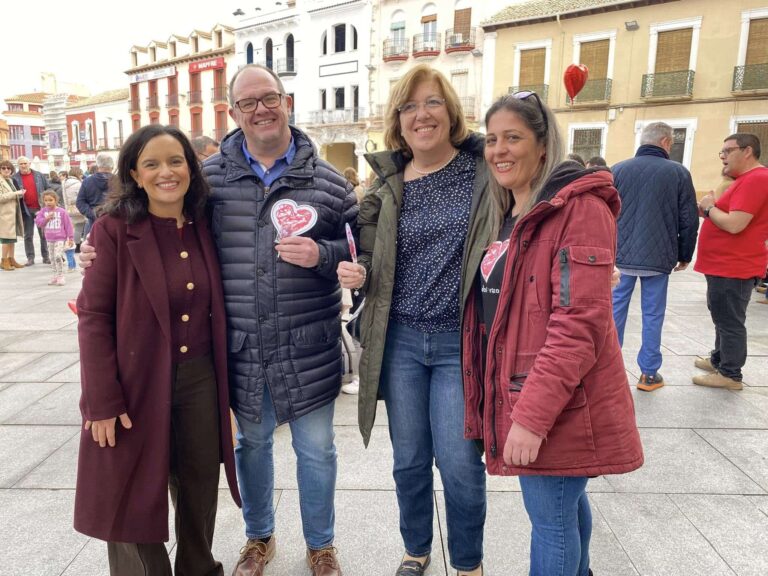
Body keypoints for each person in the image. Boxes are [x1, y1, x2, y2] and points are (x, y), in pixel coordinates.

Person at [462, 92, 644, 576]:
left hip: (555, 404)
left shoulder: (577, 209)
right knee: (564, 507)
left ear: (543, 146)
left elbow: (577, 326)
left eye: (514, 138)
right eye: (493, 139)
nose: (499, 149)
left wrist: (531, 418)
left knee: (551, 521)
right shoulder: (511, 212)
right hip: (526, 393)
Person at [337, 64, 490, 576]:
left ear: (450, 112)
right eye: (408, 106)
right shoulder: (386, 183)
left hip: (458, 340)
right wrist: (359, 271)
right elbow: (372, 252)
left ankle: (468, 562)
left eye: (431, 103)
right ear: (398, 121)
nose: (420, 115)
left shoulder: (484, 173)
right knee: (408, 461)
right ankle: (416, 549)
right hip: (399, 339)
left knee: (461, 464)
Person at [74, 124, 241, 575]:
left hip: (200, 380)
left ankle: (198, 568)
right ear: (134, 172)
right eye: (151, 163)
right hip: (135, 382)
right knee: (132, 493)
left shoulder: (205, 223)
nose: (166, 172)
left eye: (175, 161)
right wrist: (101, 400)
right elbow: (93, 317)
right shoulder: (113, 230)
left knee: (199, 486)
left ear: (191, 167)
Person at [610, 122, 699, 391]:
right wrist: (685, 254)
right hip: (658, 257)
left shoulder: (617, 170)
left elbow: (605, 212)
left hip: (620, 255)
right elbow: (688, 218)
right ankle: (649, 374)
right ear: (665, 142)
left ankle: (609, 373)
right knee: (653, 313)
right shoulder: (678, 173)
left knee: (614, 310)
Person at [693, 133, 768, 389]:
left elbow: (735, 224)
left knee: (729, 320)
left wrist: (709, 208)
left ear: (747, 151)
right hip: (725, 264)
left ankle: (730, 374)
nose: (723, 156)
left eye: (728, 150)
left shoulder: (756, 179)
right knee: (722, 315)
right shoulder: (744, 180)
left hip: (734, 265)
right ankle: (719, 359)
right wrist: (708, 209)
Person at [12, 156, 50, 265]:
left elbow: (48, 188)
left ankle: (46, 256)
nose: (23, 166)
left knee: (43, 234)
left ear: (29, 163)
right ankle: (30, 258)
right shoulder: (15, 178)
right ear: (18, 165)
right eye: (21, 164)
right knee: (28, 235)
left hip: (40, 209)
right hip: (25, 210)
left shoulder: (39, 175)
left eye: (25, 163)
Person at [34, 190, 74, 286]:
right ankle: (55, 275)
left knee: (57, 256)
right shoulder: (43, 211)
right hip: (49, 238)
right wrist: (46, 218)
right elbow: (39, 223)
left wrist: (71, 238)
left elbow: (68, 225)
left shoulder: (62, 212)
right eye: (46, 200)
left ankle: (61, 276)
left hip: (60, 238)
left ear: (56, 200)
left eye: (50, 200)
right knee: (52, 258)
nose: (48, 202)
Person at [76, 153, 114, 237]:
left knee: (93, 247)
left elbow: (80, 202)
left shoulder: (87, 181)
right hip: (115, 223)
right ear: (112, 166)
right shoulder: (120, 181)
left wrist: (93, 214)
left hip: (93, 223)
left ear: (98, 166)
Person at [0, 160, 25, 270]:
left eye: (8, 168)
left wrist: (20, 194)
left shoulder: (10, 180)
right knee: (6, 238)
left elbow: (12, 196)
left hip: (13, 212)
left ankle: (11, 259)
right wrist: (16, 193)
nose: (6, 170)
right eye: (3, 168)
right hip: (4, 214)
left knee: (12, 238)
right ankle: (4, 260)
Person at [61, 168, 85, 270]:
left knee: (73, 227)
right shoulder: (77, 184)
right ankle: (77, 245)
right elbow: (79, 196)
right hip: (77, 208)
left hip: (69, 208)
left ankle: (72, 244)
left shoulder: (65, 182)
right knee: (79, 227)